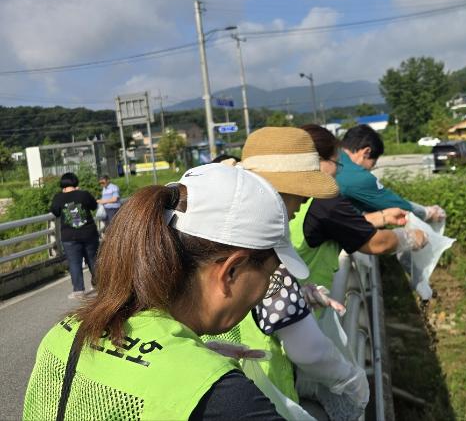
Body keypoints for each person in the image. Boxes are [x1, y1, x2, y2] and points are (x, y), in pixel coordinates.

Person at [25, 163, 301, 419]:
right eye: (270, 276)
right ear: (231, 271)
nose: (266, 289)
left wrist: (192, 355)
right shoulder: (225, 396)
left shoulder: (64, 332)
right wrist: (202, 372)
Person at [207, 127, 370, 419]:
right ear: (276, 194)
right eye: (299, 195)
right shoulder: (263, 256)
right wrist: (351, 379)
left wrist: (298, 294)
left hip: (218, 393)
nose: (301, 205)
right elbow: (309, 351)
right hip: (261, 395)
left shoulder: (215, 237)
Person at [295, 124, 428, 290]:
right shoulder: (326, 199)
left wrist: (383, 217)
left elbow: (335, 222)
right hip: (300, 306)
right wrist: (410, 237)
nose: (338, 171)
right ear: (318, 160)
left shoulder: (291, 193)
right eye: (336, 163)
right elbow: (377, 243)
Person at [336, 124, 446, 222]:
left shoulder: (330, 158)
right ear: (366, 152)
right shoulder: (356, 176)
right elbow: (393, 204)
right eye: (373, 163)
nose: (370, 169)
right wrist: (427, 213)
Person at [50, 172, 99, 299]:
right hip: (88, 233)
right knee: (93, 259)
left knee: (74, 262)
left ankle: (78, 290)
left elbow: (55, 212)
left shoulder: (58, 197)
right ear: (75, 182)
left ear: (63, 185)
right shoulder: (84, 194)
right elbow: (94, 206)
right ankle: (99, 286)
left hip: (69, 236)